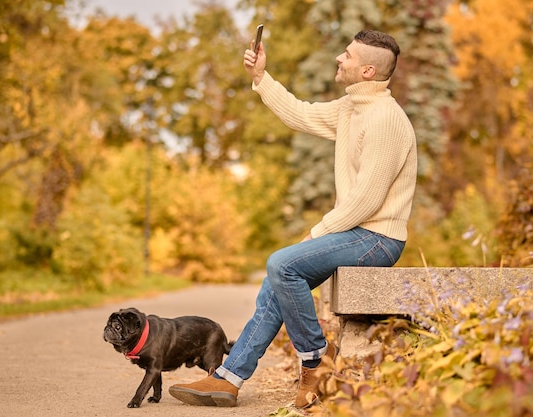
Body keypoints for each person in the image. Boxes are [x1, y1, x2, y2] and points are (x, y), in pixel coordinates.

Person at [169, 29, 417, 409]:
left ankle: (316, 360)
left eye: (348, 56)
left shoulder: (385, 119)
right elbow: (300, 113)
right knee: (275, 283)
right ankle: (228, 379)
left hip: (378, 238)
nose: (339, 58)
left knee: (282, 265)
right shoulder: (352, 108)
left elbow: (367, 200)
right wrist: (261, 78)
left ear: (368, 71)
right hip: (356, 232)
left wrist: (314, 234)